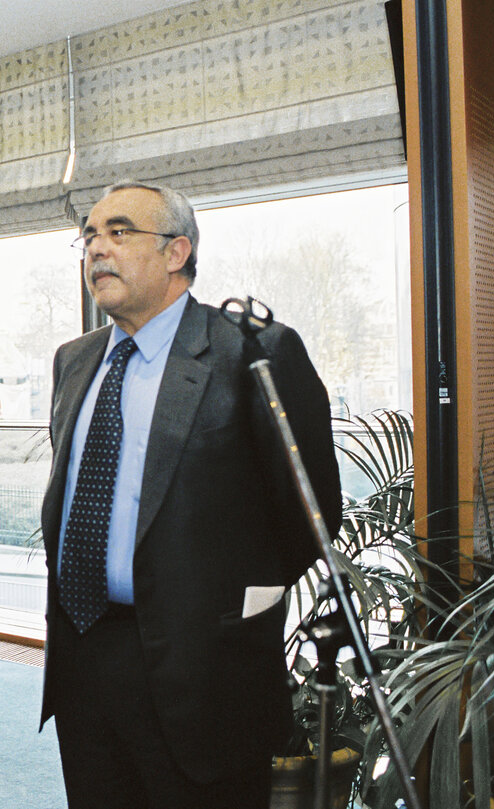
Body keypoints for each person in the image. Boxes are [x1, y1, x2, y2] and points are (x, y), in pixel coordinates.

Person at [39, 180, 342, 809]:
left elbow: (311, 514)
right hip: (87, 658)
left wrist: (237, 606)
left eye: (118, 232)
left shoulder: (252, 351)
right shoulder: (74, 360)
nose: (96, 249)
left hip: (204, 672)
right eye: (89, 235)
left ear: (177, 252)